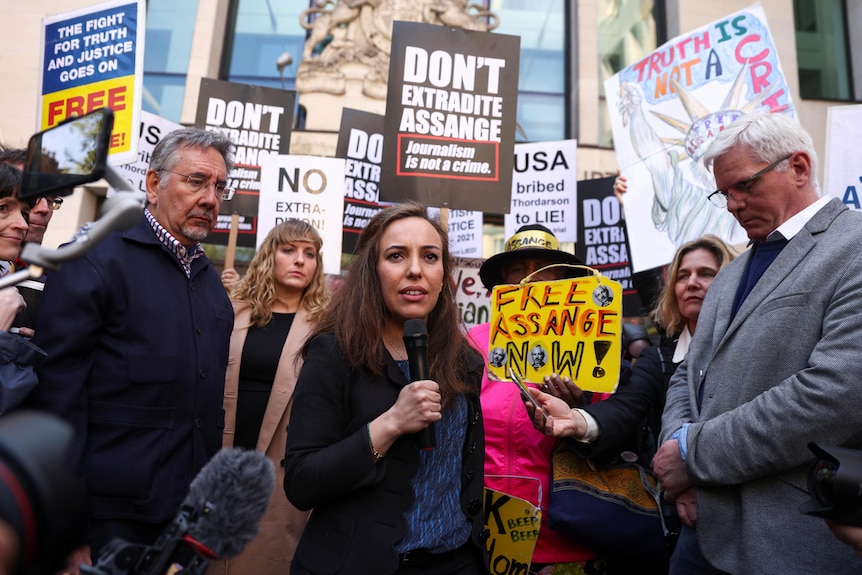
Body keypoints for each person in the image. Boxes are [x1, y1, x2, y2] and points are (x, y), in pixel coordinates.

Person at [649, 111, 862, 573]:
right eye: (724, 193)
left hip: (794, 541)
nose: (733, 204)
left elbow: (836, 394)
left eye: (745, 186)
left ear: (799, 167)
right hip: (701, 530)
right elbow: (689, 374)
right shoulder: (728, 276)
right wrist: (676, 462)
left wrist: (693, 456)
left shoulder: (854, 246)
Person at [22, 128, 236, 562]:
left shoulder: (212, 286)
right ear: (154, 185)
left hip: (183, 523)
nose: (211, 198)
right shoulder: (92, 259)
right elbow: (57, 407)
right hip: (103, 524)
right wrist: (67, 531)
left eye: (219, 186)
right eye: (196, 181)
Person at [283, 202, 488, 575]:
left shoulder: (465, 362)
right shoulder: (334, 353)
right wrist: (390, 423)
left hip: (455, 561)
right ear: (372, 272)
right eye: (396, 256)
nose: (415, 270)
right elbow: (302, 482)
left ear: (444, 275)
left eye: (430, 256)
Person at [467, 223, 609, 574]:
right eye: (518, 270)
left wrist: (583, 410)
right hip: (486, 530)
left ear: (564, 283)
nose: (530, 281)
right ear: (501, 287)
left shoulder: (590, 342)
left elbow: (614, 427)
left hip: (566, 533)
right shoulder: (473, 343)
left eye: (544, 272)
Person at [208, 219, 330, 575]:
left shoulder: (327, 326)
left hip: (281, 470)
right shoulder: (232, 312)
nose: (299, 261)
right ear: (269, 255)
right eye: (289, 250)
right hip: (221, 459)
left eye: (309, 254)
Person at [0, 164, 44, 410]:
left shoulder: (11, 273)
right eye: (3, 208)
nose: (23, 225)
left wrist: (18, 347)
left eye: (24, 213)